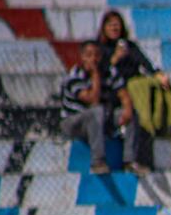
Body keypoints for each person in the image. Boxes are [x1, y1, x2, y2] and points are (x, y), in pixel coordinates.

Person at [60, 39, 145, 175]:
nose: (93, 59)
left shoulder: (109, 72)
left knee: (130, 113)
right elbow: (92, 100)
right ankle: (98, 161)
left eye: (96, 55)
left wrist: (128, 111)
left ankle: (130, 161)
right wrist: (95, 75)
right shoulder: (74, 76)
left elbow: (123, 94)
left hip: (99, 119)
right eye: (89, 55)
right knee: (96, 111)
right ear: (82, 57)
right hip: (74, 122)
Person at [97, 10, 171, 139]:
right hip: (115, 89)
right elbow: (101, 72)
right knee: (136, 87)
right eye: (110, 25)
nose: (114, 28)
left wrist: (158, 75)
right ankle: (147, 125)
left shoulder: (129, 46)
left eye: (116, 24)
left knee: (160, 83)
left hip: (135, 83)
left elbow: (145, 64)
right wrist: (115, 58)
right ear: (104, 28)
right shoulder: (100, 48)